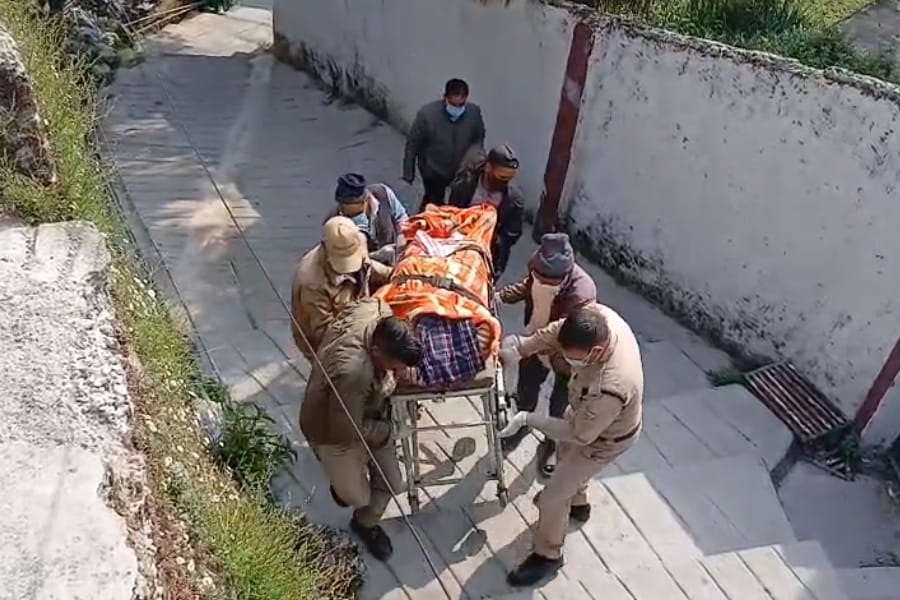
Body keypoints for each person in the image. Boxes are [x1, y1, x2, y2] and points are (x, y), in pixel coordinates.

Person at [497, 303, 644, 586]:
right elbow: (557, 332)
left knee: (553, 496)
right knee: (564, 454)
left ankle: (548, 555)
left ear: (596, 352)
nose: (566, 361)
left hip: (603, 439)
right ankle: (578, 505)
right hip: (581, 412)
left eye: (573, 359)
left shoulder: (611, 386)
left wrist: (528, 419)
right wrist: (523, 347)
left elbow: (579, 435)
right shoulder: (598, 318)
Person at [300, 298, 423, 560]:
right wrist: (389, 431)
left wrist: (393, 376)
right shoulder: (354, 373)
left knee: (392, 483)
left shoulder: (376, 309)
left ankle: (365, 523)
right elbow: (346, 430)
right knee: (358, 496)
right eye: (395, 366)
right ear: (376, 351)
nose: (399, 371)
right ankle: (343, 490)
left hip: (367, 411)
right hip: (330, 428)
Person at [495, 233, 597, 476]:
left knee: (560, 405)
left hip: (564, 355)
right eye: (538, 276)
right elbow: (528, 286)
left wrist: (529, 346)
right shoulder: (539, 271)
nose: (540, 280)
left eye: (547, 280)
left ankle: (551, 443)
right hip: (535, 338)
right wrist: (500, 296)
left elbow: (566, 334)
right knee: (526, 390)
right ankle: (522, 424)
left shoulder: (581, 294)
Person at [290, 216, 392, 360]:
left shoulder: (355, 242)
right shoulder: (311, 283)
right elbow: (325, 334)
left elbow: (369, 267)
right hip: (327, 341)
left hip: (357, 314)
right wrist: (364, 328)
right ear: (325, 249)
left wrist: (394, 274)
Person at [402, 78, 486, 211]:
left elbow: (478, 137)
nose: (457, 109)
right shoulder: (427, 116)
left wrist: (474, 159)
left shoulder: (474, 113)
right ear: (445, 98)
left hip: (461, 170)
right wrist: (408, 173)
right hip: (433, 169)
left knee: (457, 206)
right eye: (453, 104)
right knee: (433, 203)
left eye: (461, 105)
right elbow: (413, 144)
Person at [447, 143, 524, 278]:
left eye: (509, 178)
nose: (504, 182)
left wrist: (491, 237)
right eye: (501, 177)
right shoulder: (465, 184)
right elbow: (451, 211)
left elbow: (513, 233)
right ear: (488, 167)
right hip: (457, 245)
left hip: (489, 256)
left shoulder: (514, 200)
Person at [327, 173, 409, 264]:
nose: (356, 219)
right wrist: (374, 256)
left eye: (358, 213)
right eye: (349, 215)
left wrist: (401, 240)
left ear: (366, 201)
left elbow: (401, 217)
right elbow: (343, 260)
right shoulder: (335, 226)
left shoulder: (383, 194)